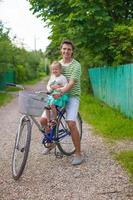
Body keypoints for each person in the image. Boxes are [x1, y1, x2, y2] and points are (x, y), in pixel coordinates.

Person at [40, 39, 83, 165]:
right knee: (43, 120)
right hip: (57, 96)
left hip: (72, 96)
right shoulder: (57, 64)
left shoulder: (76, 65)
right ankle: (51, 143)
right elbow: (52, 81)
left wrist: (61, 92)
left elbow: (71, 83)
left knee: (71, 123)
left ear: (72, 51)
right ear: (61, 50)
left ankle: (78, 153)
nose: (66, 51)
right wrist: (49, 90)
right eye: (64, 49)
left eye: (69, 49)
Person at [45, 61, 69, 127]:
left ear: (60, 70)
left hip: (60, 95)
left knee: (52, 104)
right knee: (46, 106)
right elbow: (48, 85)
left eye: (56, 69)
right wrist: (50, 88)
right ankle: (48, 121)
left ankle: (55, 119)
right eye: (53, 69)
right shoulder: (52, 77)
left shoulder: (62, 78)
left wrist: (60, 88)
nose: (54, 71)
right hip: (53, 95)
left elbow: (66, 86)